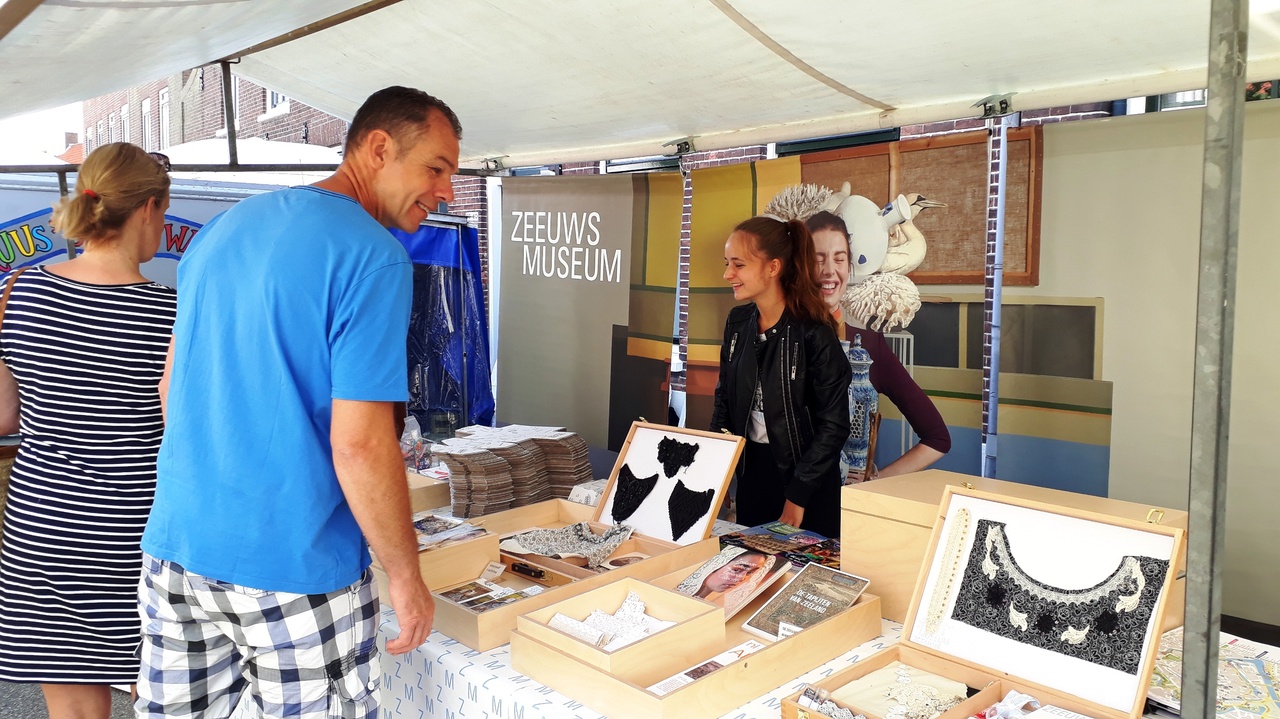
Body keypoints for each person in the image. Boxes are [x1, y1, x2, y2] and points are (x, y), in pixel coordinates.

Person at [136, 87, 461, 719]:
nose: (445, 190)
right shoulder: (373, 256)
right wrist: (406, 576)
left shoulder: (224, 229)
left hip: (178, 549)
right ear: (378, 147)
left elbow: (172, 389)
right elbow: (361, 442)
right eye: (437, 168)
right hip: (294, 562)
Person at [0, 143, 174, 719]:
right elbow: (182, 429)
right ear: (149, 209)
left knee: (72, 711)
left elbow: (4, 418)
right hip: (134, 534)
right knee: (163, 699)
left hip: (42, 529)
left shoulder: (21, 291)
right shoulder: (171, 310)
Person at [710, 216, 851, 538]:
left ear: (772, 268)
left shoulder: (815, 333)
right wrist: (716, 470)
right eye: (727, 264)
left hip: (806, 486)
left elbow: (834, 425)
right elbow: (725, 400)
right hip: (752, 476)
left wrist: (797, 495)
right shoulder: (738, 322)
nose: (727, 274)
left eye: (738, 265)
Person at [808, 210, 951, 479]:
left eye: (839, 259)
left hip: (844, 509)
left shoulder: (870, 346)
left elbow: (937, 439)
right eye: (816, 260)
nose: (829, 270)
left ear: (849, 268)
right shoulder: (779, 340)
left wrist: (875, 481)